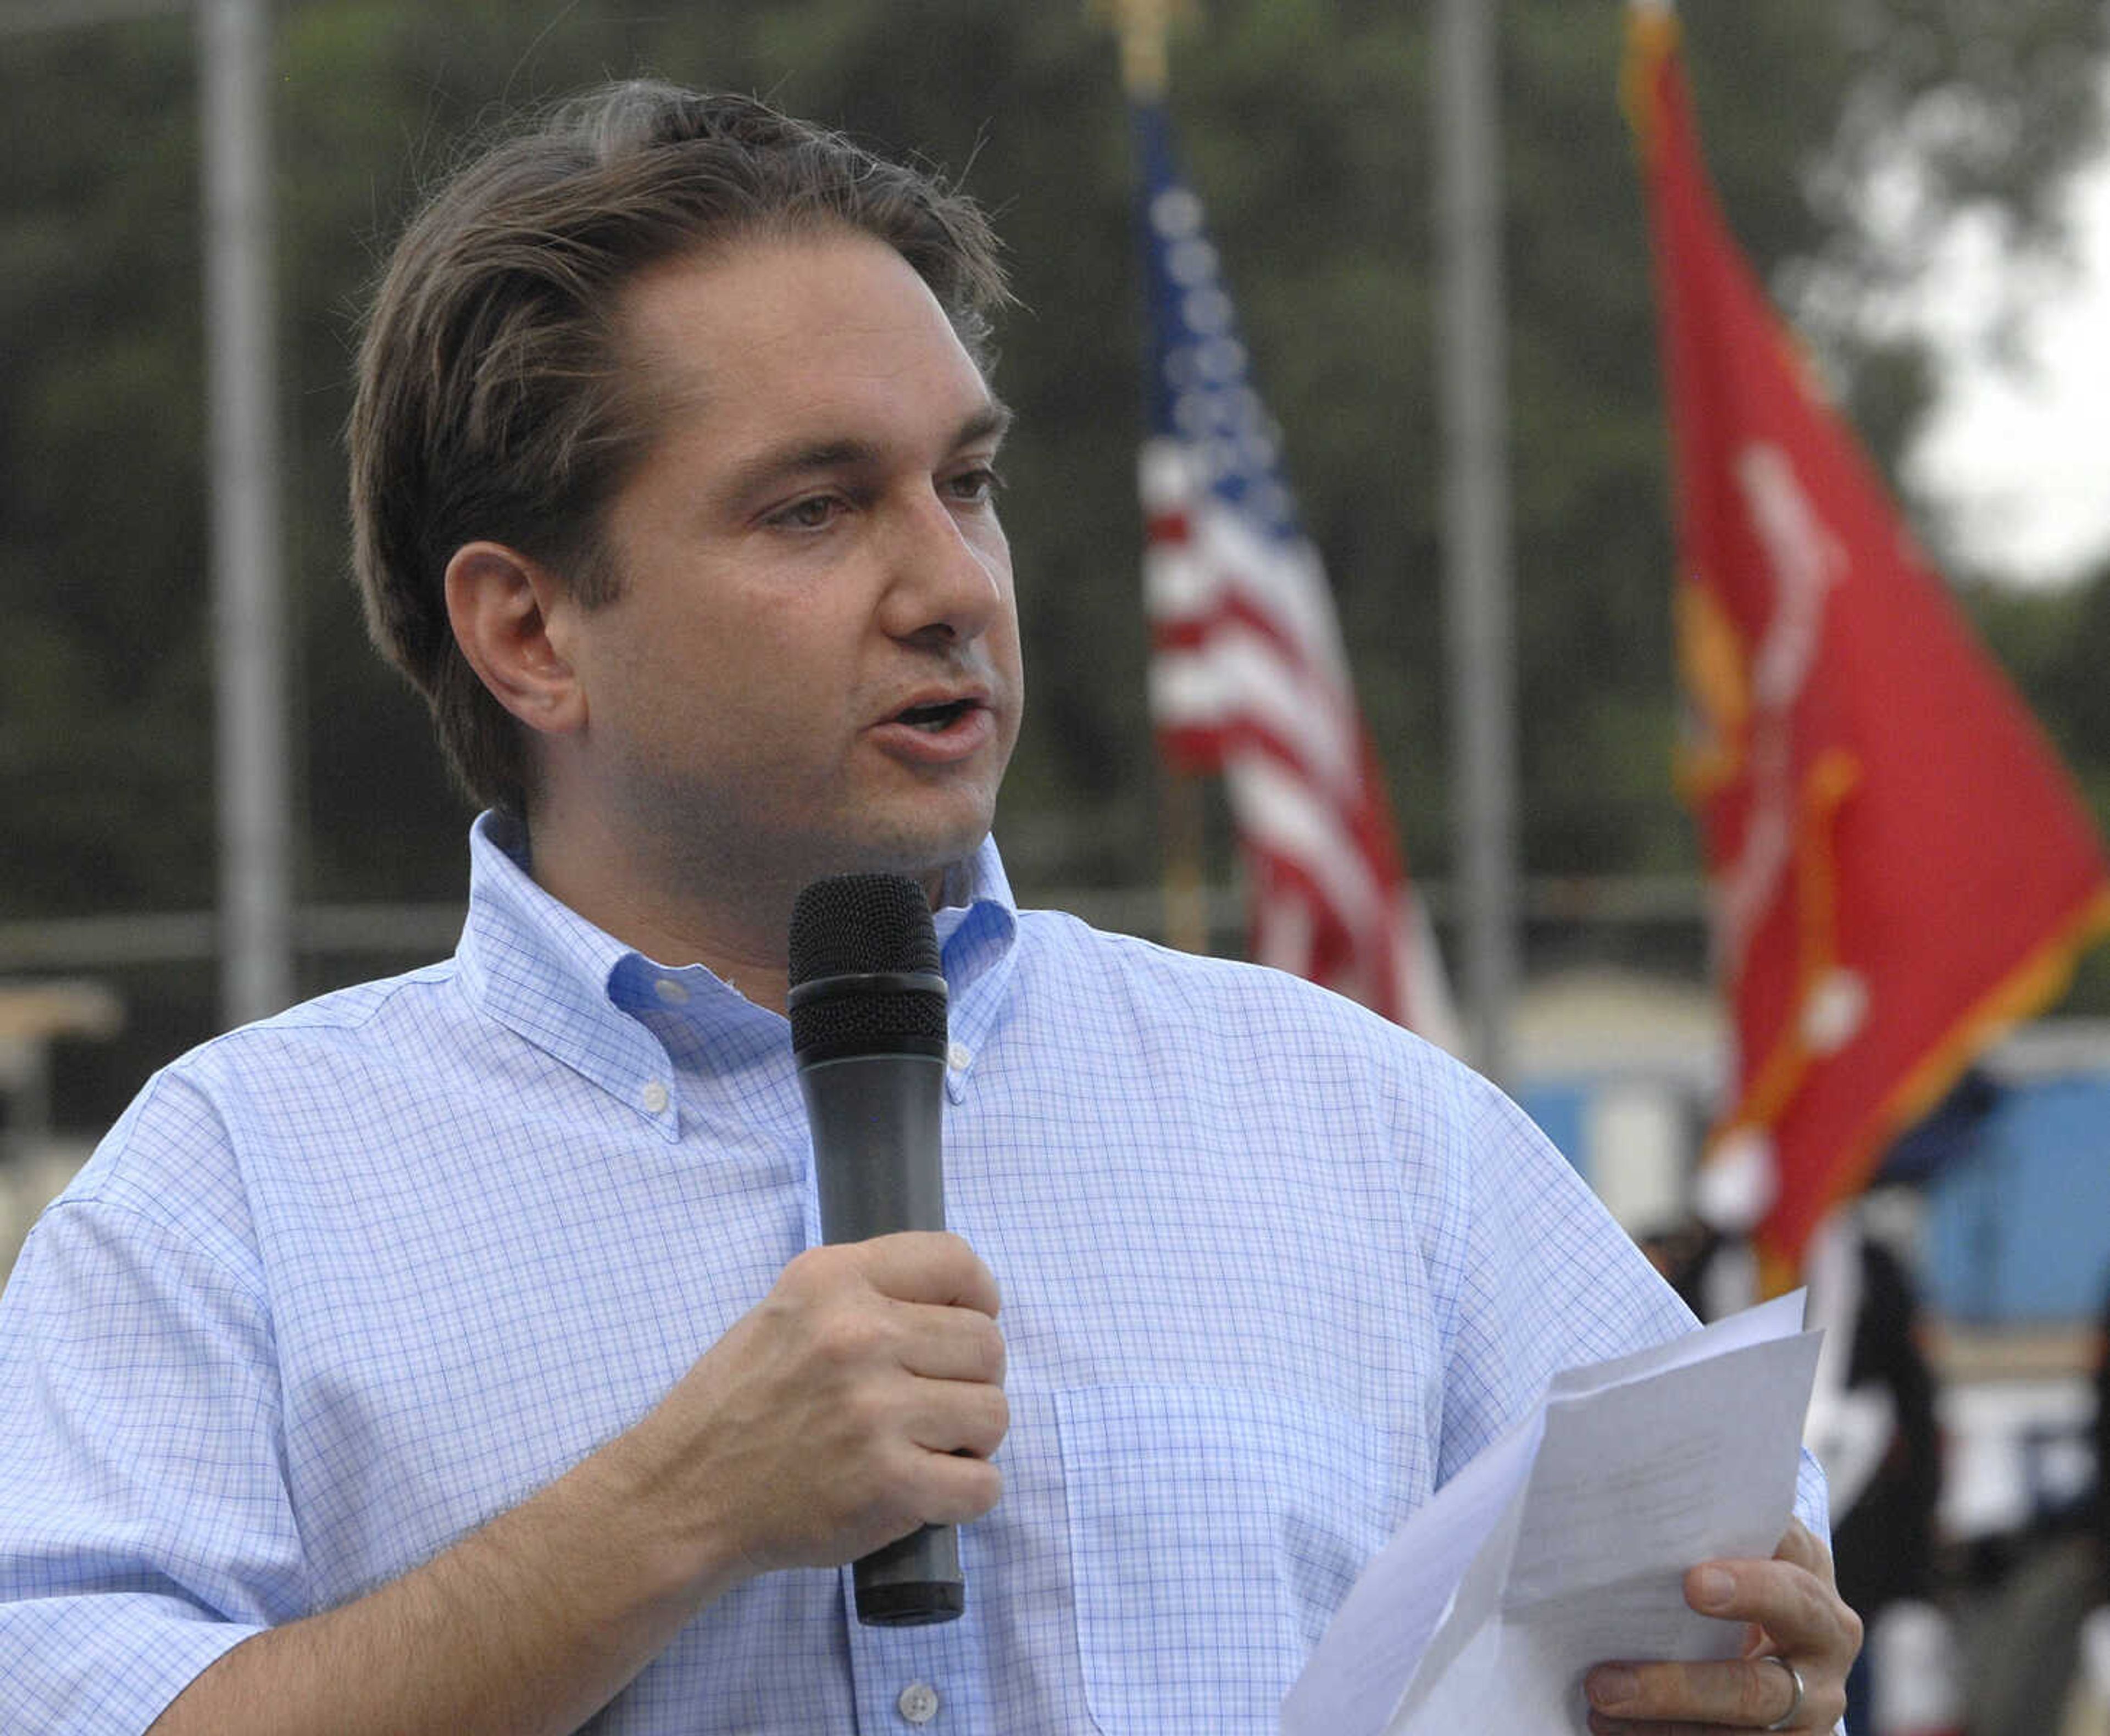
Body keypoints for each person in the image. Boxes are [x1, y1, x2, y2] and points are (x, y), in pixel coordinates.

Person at [0, 82, 1859, 1734]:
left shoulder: (1372, 1130)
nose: (950, 583)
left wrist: (1753, 1679)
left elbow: (1742, 1609)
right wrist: (674, 1510)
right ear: (528, 629)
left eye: (963, 483)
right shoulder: (234, 1196)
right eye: (815, 510)